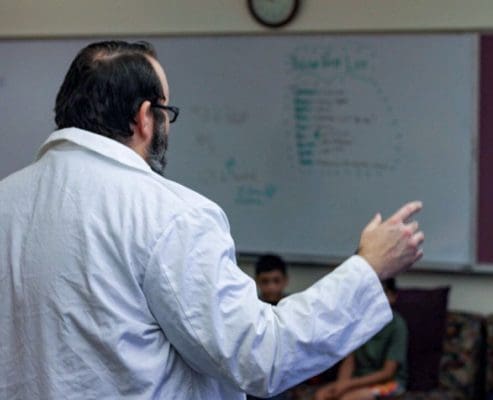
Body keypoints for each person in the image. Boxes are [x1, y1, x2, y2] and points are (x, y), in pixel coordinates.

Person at [0, 41, 425, 399]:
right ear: (145, 117)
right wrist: (370, 268)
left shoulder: (6, 201)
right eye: (168, 111)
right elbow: (262, 356)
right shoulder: (169, 215)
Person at [313, 278, 408, 400]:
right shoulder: (358, 322)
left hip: (390, 383)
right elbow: (349, 361)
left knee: (348, 398)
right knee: (321, 395)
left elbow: (387, 373)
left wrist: (348, 385)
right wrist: (341, 385)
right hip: (358, 381)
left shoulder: (397, 325)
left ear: (392, 297)